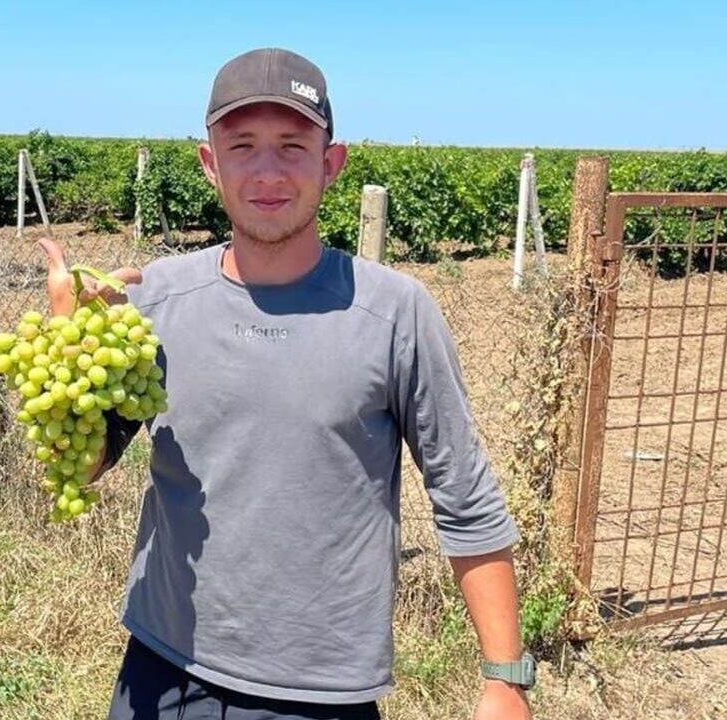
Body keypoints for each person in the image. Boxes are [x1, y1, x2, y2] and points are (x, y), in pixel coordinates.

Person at [38, 47, 534, 720]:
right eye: (241, 146)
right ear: (210, 163)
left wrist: (504, 680)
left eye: (293, 146)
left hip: (320, 694)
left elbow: (465, 495)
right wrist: (71, 349)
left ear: (332, 162)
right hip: (161, 671)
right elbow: (88, 463)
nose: (267, 172)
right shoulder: (152, 301)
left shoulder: (393, 312)